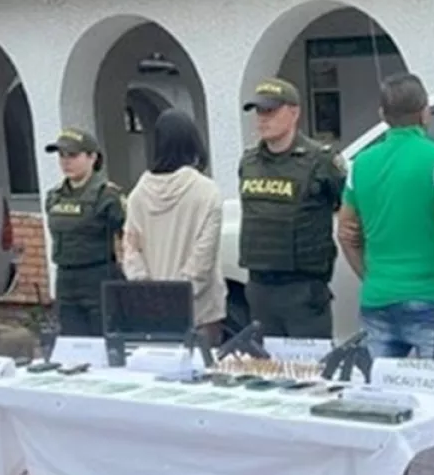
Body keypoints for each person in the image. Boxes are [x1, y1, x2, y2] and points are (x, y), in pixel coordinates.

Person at [337, 73, 434, 359]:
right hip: (428, 294)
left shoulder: (360, 165)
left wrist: (371, 276)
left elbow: (345, 233)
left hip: (377, 294)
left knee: (383, 396)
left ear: (383, 114)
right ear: (425, 112)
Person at [238, 77, 347, 339]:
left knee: (308, 373)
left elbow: (347, 208)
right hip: (260, 286)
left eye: (270, 111)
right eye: (259, 112)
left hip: (303, 289)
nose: (262, 119)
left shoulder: (320, 161)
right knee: (268, 374)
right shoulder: (249, 162)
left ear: (294, 112)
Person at [122, 110, 227, 346]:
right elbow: (203, 258)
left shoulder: (137, 195)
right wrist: (180, 295)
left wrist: (149, 293)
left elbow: (131, 251)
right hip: (200, 311)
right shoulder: (207, 192)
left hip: (153, 312)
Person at [43, 128, 125, 336]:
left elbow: (128, 237)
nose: (65, 161)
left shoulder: (107, 196)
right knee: (72, 346)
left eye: (73, 155)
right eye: (61, 156)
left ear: (92, 157)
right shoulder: (54, 197)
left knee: (104, 343)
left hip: (98, 278)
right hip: (65, 279)